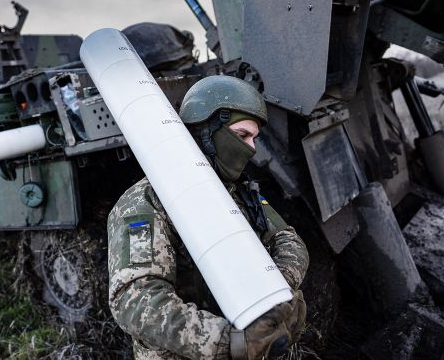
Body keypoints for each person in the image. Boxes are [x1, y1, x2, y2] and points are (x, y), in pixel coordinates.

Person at [107, 75, 310, 359]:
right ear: (207, 131)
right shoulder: (145, 203)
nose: (251, 149)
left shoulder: (238, 191)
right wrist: (229, 342)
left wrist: (275, 295)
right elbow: (135, 300)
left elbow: (287, 240)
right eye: (242, 136)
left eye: (255, 138)